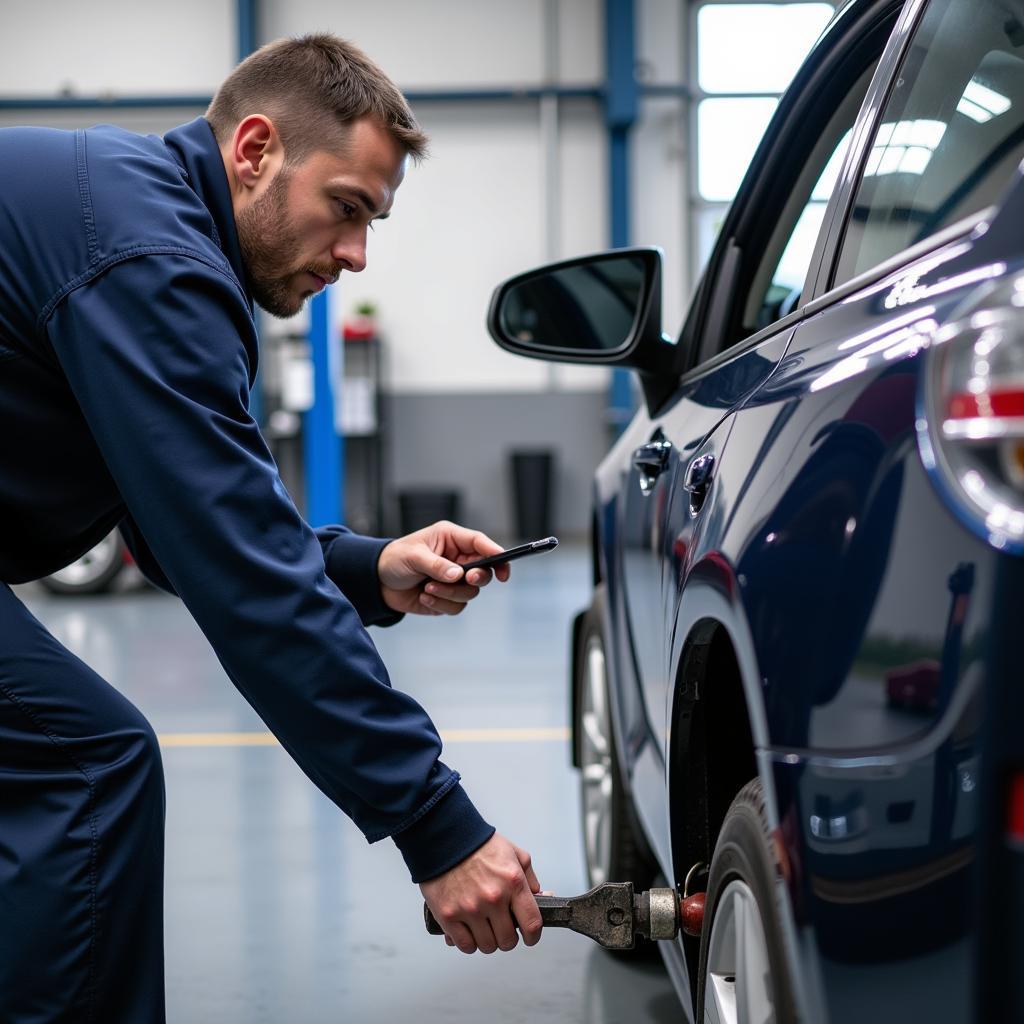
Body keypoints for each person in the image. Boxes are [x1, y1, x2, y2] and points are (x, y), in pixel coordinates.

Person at [0, 33, 542, 1023]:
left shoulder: (149, 230)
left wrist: (372, 566)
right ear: (253, 151)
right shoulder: (151, 258)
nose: (354, 254)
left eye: (373, 223)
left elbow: (180, 531)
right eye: (345, 208)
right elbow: (243, 575)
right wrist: (439, 826)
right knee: (84, 765)